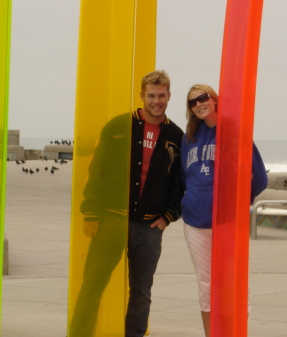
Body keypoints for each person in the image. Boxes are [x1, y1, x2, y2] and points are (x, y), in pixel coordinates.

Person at [69, 70, 184, 337]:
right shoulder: (119, 126)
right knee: (92, 287)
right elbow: (98, 170)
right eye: (152, 95)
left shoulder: (176, 135)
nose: (157, 101)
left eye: (162, 95)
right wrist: (90, 212)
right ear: (142, 95)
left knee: (141, 293)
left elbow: (179, 184)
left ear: (169, 96)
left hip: (149, 229)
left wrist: (169, 216)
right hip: (110, 220)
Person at [180, 84, 268, 337]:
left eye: (202, 98)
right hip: (195, 224)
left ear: (215, 99)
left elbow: (259, 178)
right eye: (192, 102)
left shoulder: (234, 132)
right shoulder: (189, 139)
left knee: (234, 284)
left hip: (227, 223)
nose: (198, 104)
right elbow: (184, 178)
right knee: (206, 286)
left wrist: (238, 205)